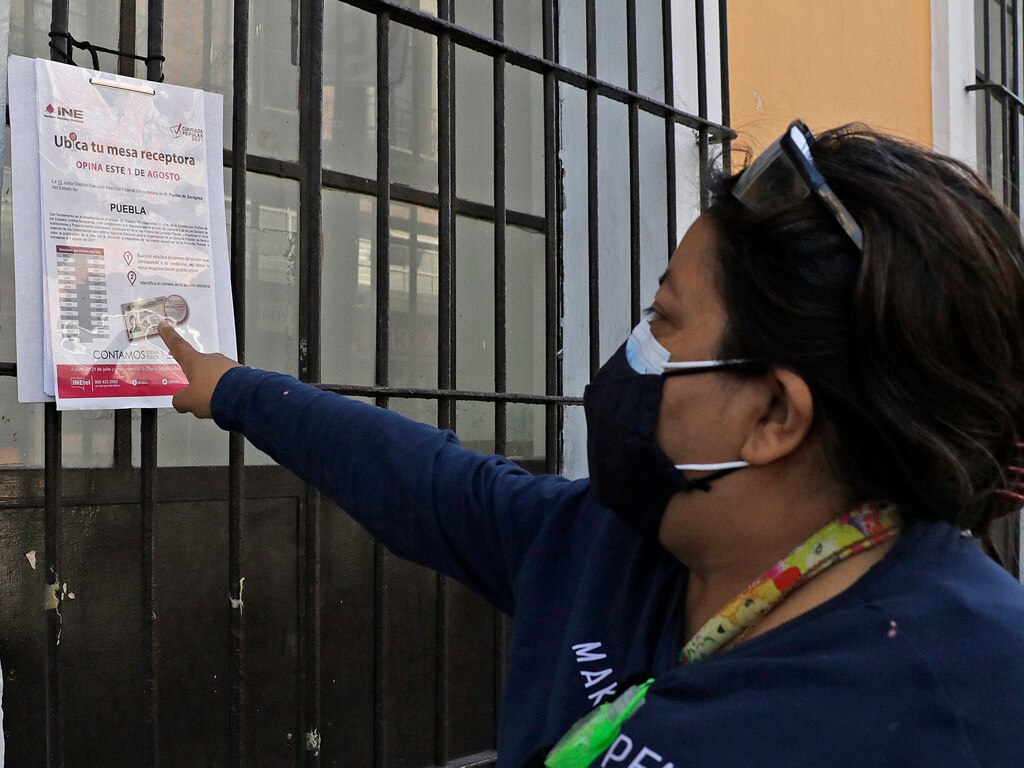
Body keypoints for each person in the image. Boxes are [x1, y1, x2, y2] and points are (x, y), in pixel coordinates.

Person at [158, 121, 1024, 767]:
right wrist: (235, 390)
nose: (631, 354)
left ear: (774, 416)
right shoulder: (604, 545)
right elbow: (426, 482)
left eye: (663, 321)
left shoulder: (972, 693)